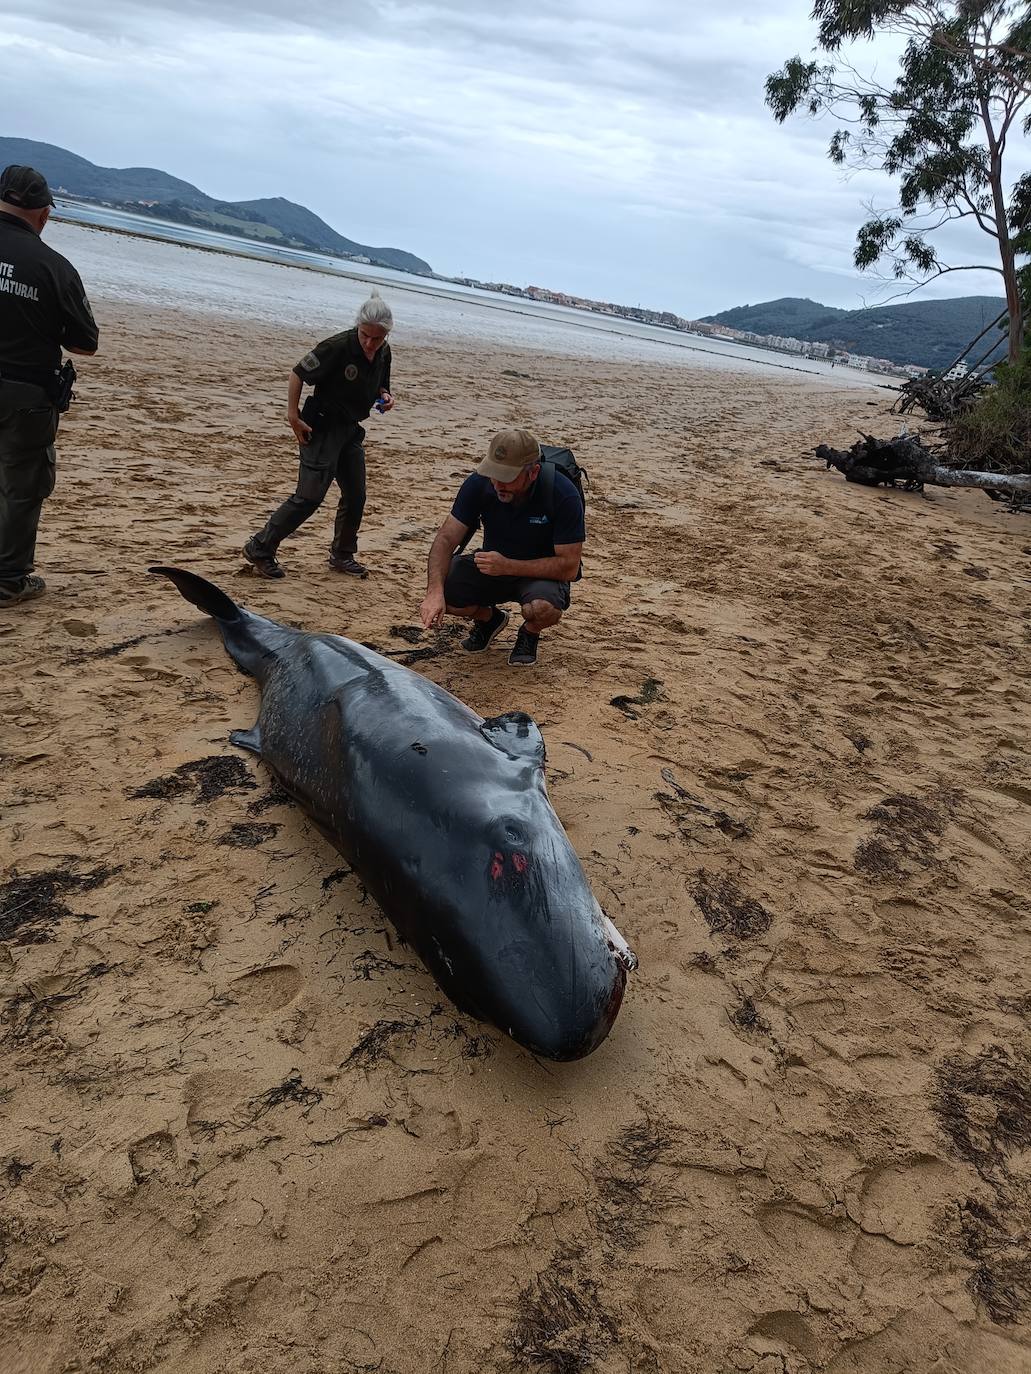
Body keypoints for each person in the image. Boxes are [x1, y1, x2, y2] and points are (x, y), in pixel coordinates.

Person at [0, 165, 99, 607]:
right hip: (24, 394)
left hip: (25, 391)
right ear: (43, 214)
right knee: (23, 486)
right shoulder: (54, 267)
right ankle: (8, 580)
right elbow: (85, 343)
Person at [243, 291, 394, 579]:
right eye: (365, 336)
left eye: (377, 338)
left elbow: (381, 383)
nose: (370, 343)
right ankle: (260, 547)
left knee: (356, 495)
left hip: (350, 431)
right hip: (321, 427)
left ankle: (342, 554)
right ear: (358, 327)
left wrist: (386, 396)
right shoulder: (336, 347)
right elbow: (297, 374)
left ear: (386, 334)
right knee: (309, 497)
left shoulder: (384, 351)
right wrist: (293, 416)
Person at [420, 429, 584, 667]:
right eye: (493, 474)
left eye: (507, 477)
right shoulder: (479, 483)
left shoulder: (562, 493)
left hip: (539, 575)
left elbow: (569, 566)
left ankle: (529, 632)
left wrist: (508, 565)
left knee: (542, 609)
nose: (497, 484)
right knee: (445, 589)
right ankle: (490, 620)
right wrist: (433, 593)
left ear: (533, 473)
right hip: (492, 568)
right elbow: (445, 539)